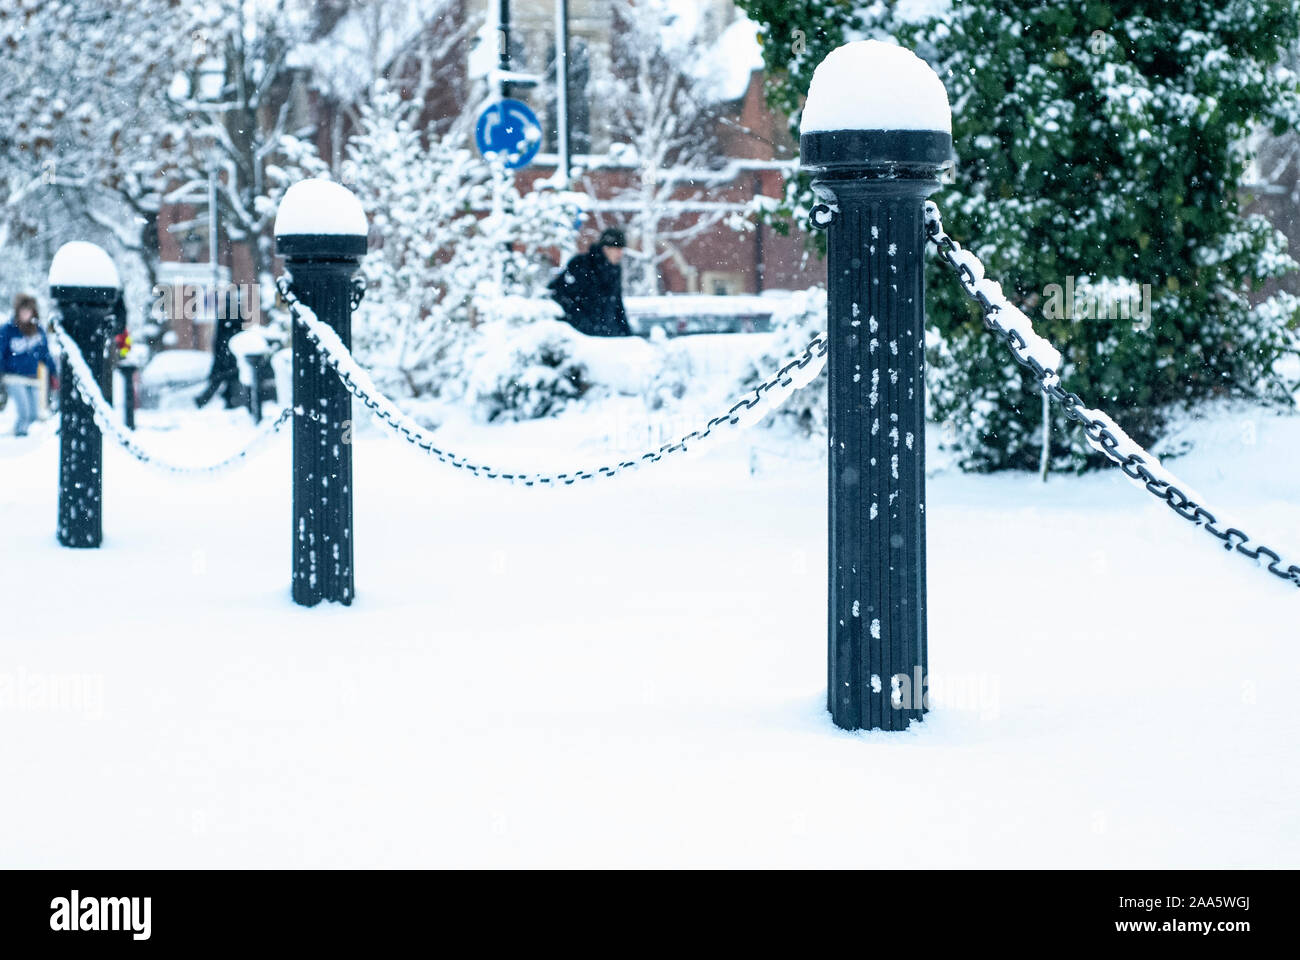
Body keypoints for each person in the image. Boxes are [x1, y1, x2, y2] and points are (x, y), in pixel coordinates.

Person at [548, 227, 633, 337]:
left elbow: (617, 304)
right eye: (617, 249)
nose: (620, 254)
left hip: (609, 336)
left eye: (622, 250)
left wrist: (627, 334)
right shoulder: (581, 264)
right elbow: (560, 295)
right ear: (605, 248)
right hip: (581, 338)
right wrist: (581, 324)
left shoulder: (615, 270)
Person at [0, 293, 58, 437]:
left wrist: (53, 373)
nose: (25, 314)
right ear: (18, 311)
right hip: (13, 377)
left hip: (32, 377)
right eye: (23, 310)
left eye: (28, 310)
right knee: (24, 413)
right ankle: (19, 439)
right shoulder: (7, 330)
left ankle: (19, 435)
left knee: (33, 414)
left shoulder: (38, 330)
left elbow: (45, 354)